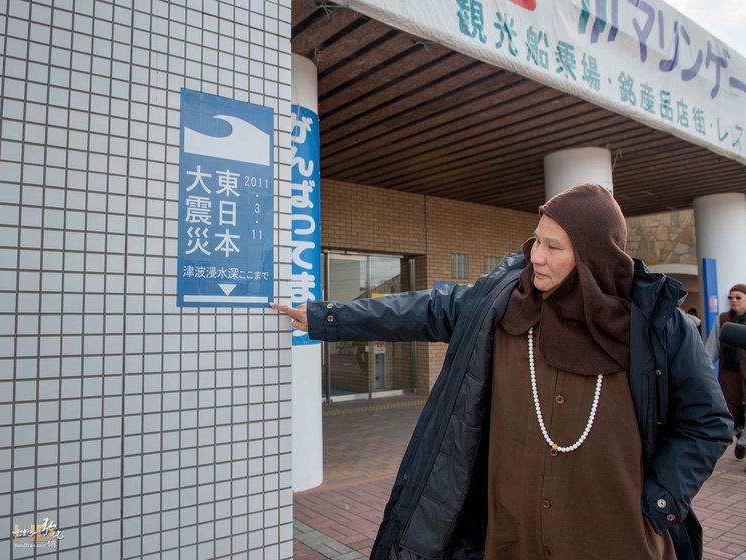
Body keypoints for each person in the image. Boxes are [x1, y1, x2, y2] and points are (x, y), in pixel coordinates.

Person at [271, 183, 731, 560]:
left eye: (554, 247)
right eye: (536, 241)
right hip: (509, 535)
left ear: (594, 255)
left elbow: (707, 424)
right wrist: (326, 318)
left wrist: (660, 499)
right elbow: (424, 309)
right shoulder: (502, 303)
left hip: (615, 538)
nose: (536, 257)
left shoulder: (656, 324)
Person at [705, 284, 746, 461]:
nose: (734, 301)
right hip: (730, 374)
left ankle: (744, 442)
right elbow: (711, 348)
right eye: (731, 297)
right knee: (731, 412)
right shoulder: (723, 319)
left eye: (738, 297)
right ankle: (740, 436)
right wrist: (703, 371)